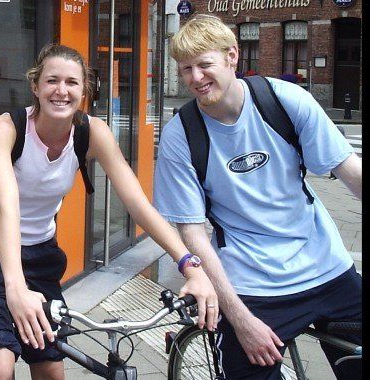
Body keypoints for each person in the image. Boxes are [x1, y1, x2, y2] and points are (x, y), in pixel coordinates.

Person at [0, 43, 218, 380]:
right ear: (35, 86)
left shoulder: (91, 132)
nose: (61, 91)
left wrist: (188, 264)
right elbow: (7, 207)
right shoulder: (6, 127)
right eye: (51, 81)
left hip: (38, 253)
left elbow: (138, 204)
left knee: (51, 369)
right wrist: (16, 290)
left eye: (71, 83)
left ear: (84, 91)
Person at [153, 15, 362, 380]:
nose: (196, 78)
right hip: (253, 286)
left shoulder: (284, 101)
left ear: (232, 56)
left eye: (205, 64)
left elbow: (350, 172)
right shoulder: (181, 135)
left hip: (327, 269)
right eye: (186, 69)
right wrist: (239, 318)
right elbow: (193, 234)